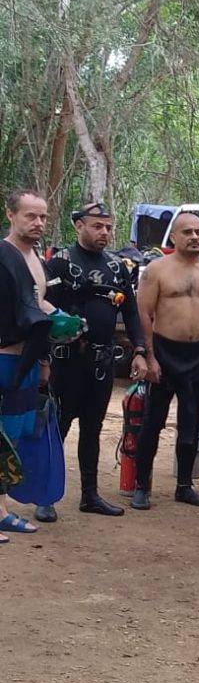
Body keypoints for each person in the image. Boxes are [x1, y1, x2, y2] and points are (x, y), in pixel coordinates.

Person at [35, 202, 147, 523]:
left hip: (101, 362)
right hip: (67, 362)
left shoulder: (117, 266)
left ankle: (90, 495)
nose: (104, 232)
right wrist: (43, 357)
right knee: (58, 428)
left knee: (92, 428)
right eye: (97, 226)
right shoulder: (59, 263)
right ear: (79, 226)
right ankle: (45, 496)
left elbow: (131, 313)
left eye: (108, 227)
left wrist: (140, 350)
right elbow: (41, 312)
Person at [131, 213, 199, 510]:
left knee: (192, 422)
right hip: (164, 352)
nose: (195, 236)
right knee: (152, 422)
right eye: (188, 232)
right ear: (173, 237)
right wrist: (148, 355)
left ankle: (184, 486)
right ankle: (141, 486)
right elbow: (143, 313)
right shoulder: (157, 270)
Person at [0, 191, 58, 538]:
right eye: (30, 216)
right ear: (10, 215)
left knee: (13, 435)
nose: (38, 223)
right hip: (3, 356)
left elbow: (39, 305)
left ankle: (1, 509)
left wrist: (62, 322)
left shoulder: (36, 258)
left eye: (43, 217)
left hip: (28, 359)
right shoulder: (2, 254)